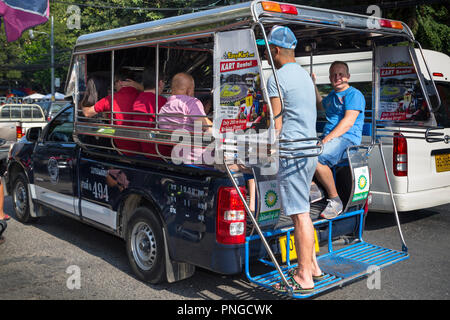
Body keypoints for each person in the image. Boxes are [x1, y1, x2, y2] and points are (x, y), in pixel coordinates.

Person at [263, 25, 323, 293]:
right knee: (304, 212)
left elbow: (277, 120)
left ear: (275, 50)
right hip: (310, 149)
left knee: (299, 215)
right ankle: (312, 266)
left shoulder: (276, 77)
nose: (266, 55)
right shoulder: (304, 76)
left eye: (267, 50)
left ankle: (303, 275)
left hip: (292, 150)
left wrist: (268, 149)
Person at [312, 61, 365, 219]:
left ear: (348, 76)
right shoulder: (333, 96)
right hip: (332, 139)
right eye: (334, 75)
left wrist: (325, 140)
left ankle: (335, 200)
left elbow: (347, 123)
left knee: (316, 157)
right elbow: (321, 105)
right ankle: (313, 188)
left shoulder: (353, 95)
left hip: (347, 140)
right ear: (329, 78)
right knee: (299, 151)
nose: (337, 77)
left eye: (341, 74)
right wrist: (313, 85)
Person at [82, 69, 143, 155]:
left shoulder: (110, 99)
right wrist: (138, 86)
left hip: (123, 150)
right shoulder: (143, 96)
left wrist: (81, 102)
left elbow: (87, 113)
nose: (114, 87)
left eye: (114, 83)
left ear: (119, 82)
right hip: (144, 148)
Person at [158, 72, 212, 163]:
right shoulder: (191, 102)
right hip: (196, 157)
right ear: (189, 90)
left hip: (177, 156)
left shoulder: (165, 108)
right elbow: (206, 127)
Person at [132, 67, 167, 159]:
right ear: (160, 83)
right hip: (163, 153)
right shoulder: (162, 102)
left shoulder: (137, 100)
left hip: (146, 152)